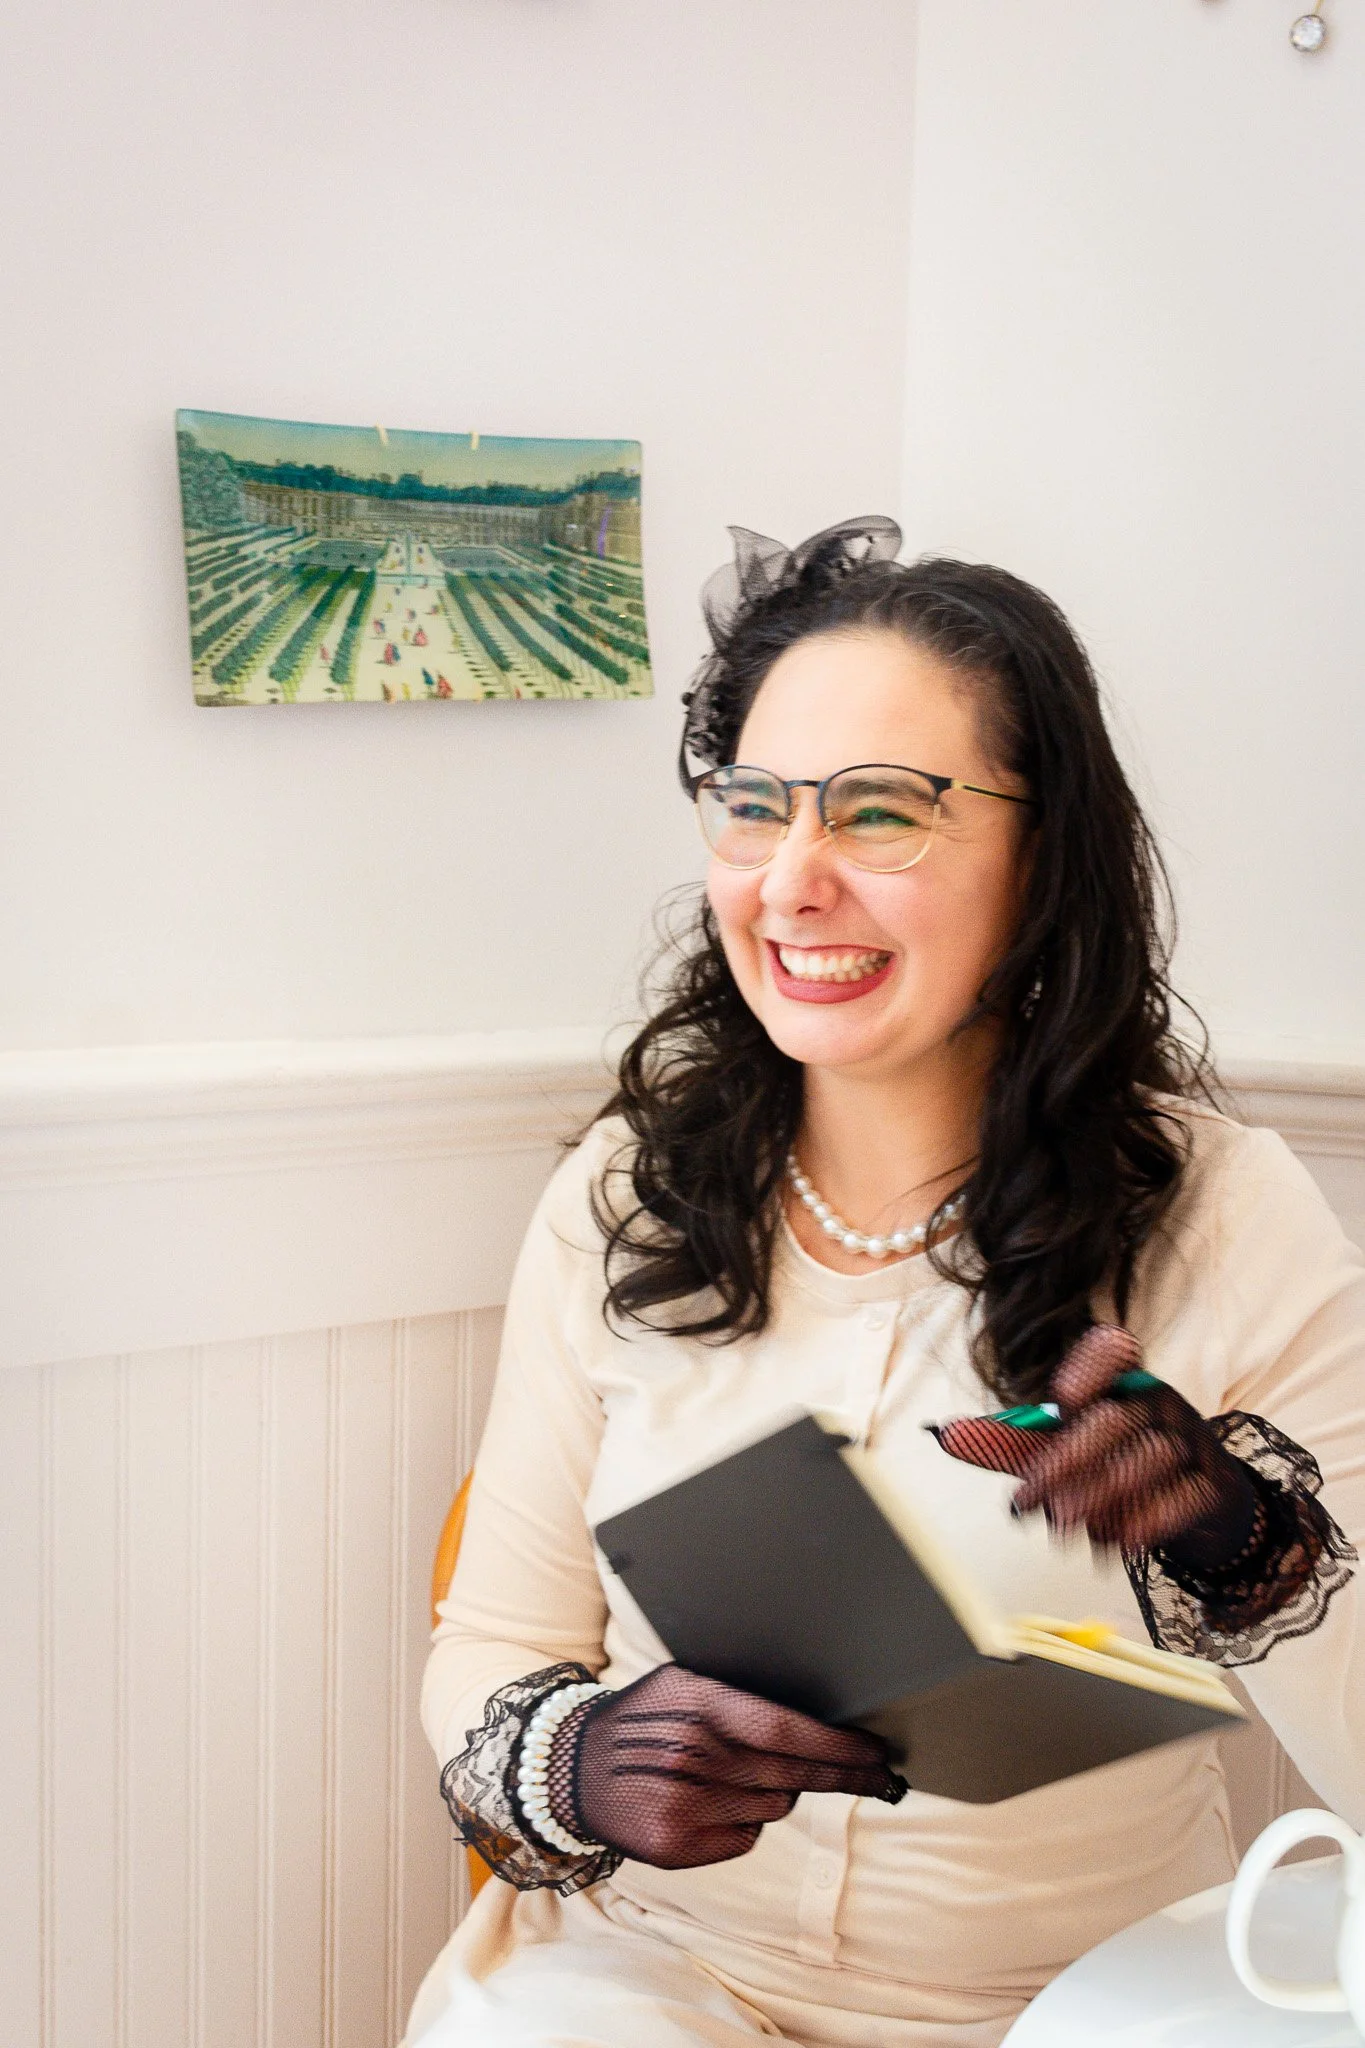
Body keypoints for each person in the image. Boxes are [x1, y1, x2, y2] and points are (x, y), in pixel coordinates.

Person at [407, 519, 1363, 2048]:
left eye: (880, 813)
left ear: (1041, 861)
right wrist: (575, 1760)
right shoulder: (621, 1192)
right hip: (649, 1976)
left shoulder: (1225, 1216)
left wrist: (1248, 1543)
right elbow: (497, 1637)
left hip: (1088, 2002)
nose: (792, 882)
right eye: (754, 808)